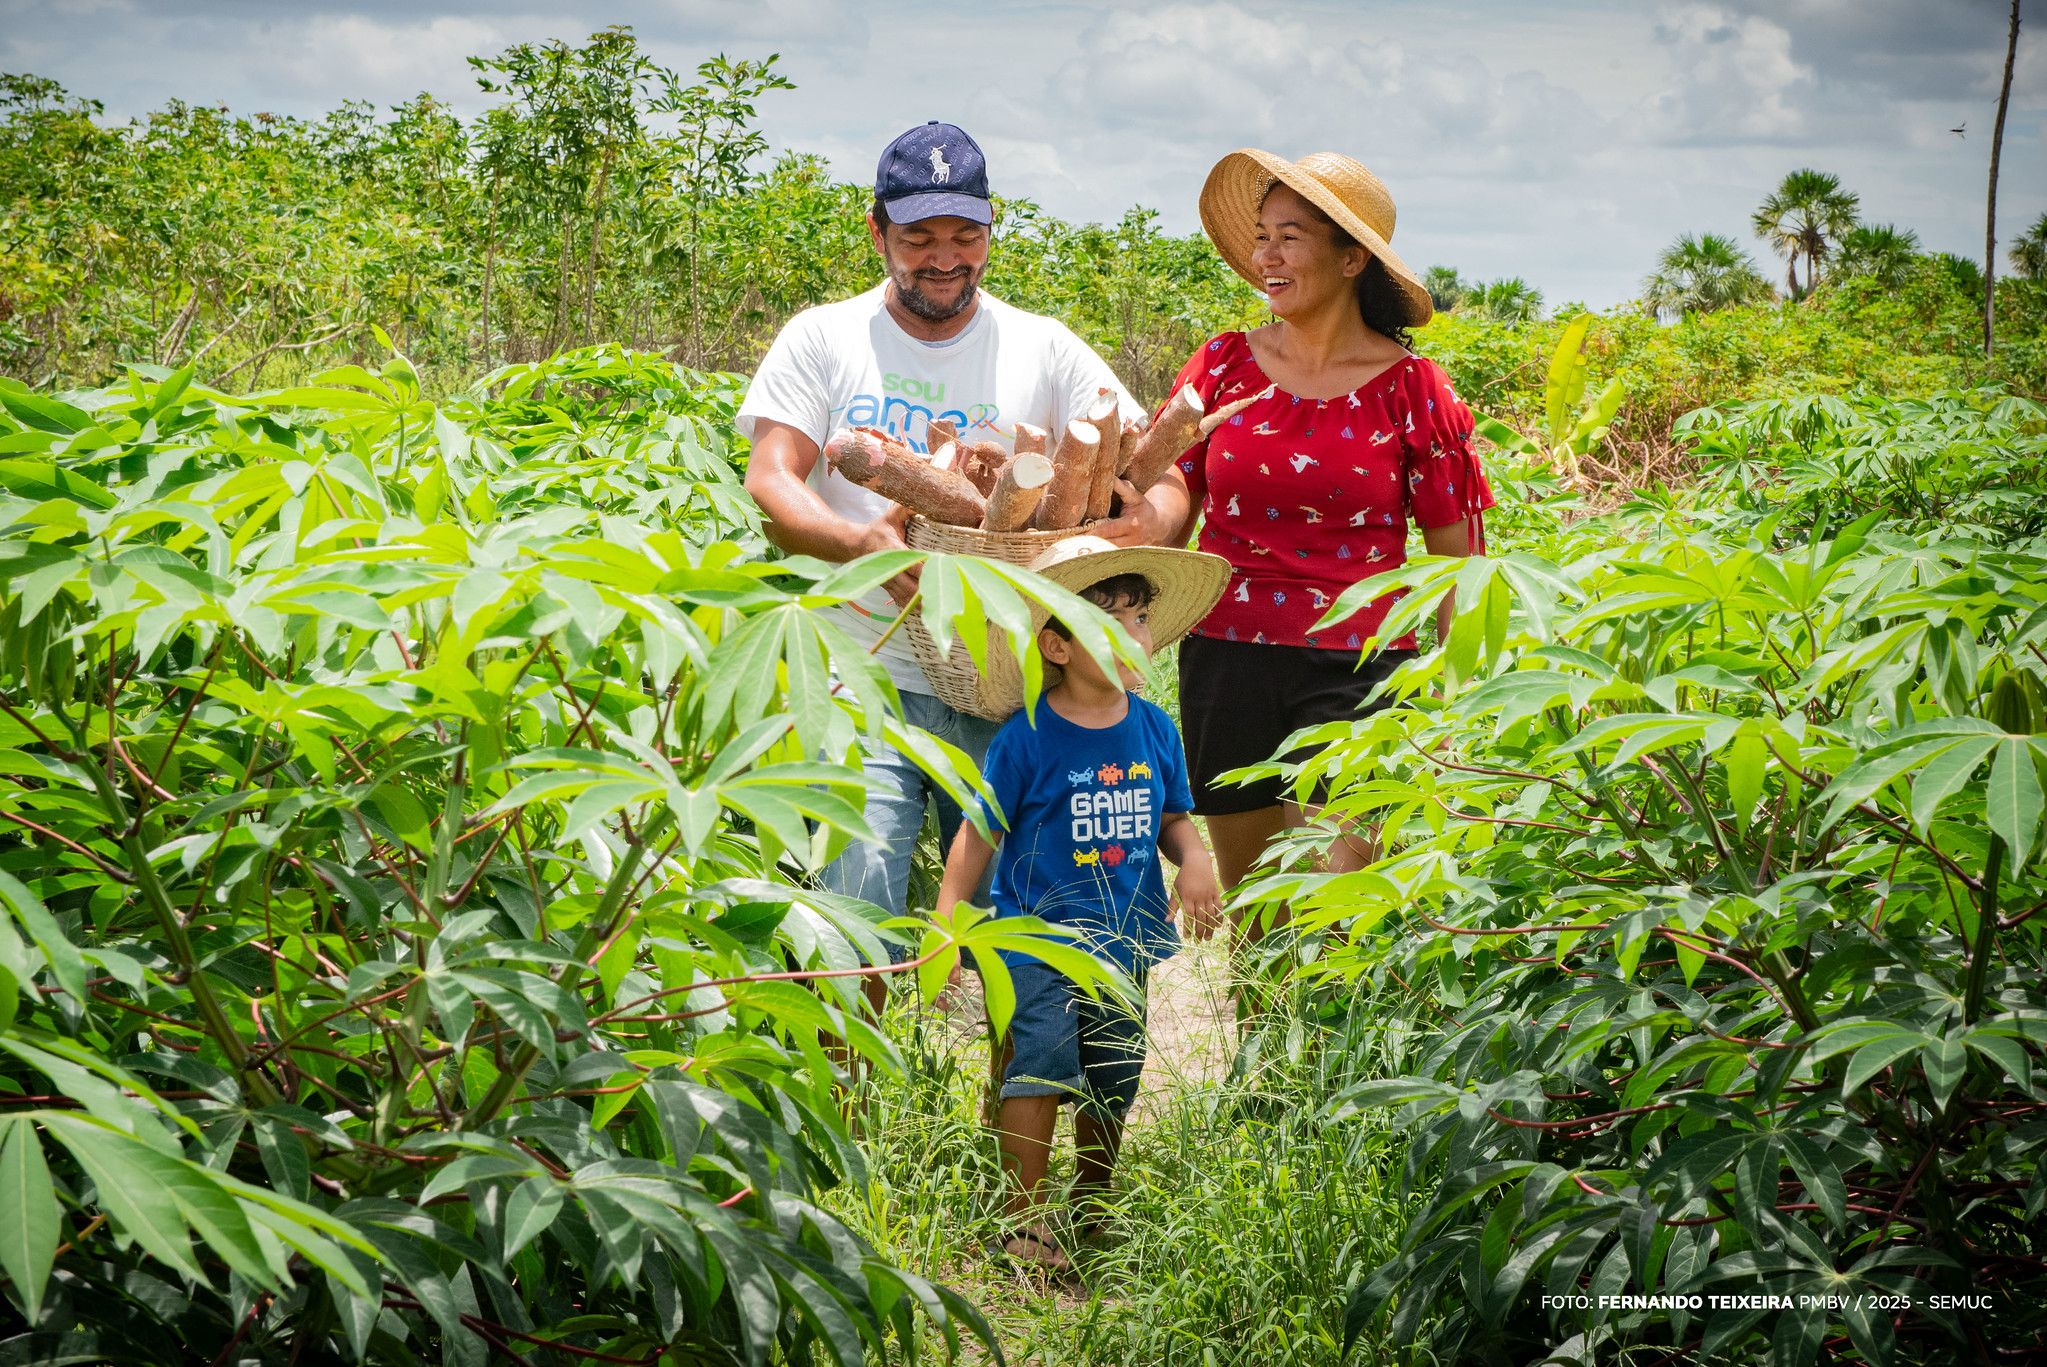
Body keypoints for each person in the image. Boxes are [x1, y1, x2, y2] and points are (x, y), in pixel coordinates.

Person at [738, 121, 1192, 945]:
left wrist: (1137, 525)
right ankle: (854, 1073)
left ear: (991, 230)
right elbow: (771, 475)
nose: (944, 257)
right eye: (917, 238)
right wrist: (856, 546)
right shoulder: (824, 336)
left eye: (965, 235)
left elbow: (1163, 477)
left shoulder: (1044, 346)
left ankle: (1008, 1075)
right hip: (860, 668)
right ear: (876, 230)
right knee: (855, 904)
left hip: (1010, 685)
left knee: (1015, 922)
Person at [1166, 149, 1494, 902]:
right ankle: (1256, 1027)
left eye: (1289, 237)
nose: (1264, 257)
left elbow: (1457, 559)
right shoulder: (1221, 366)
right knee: (1256, 915)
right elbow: (1169, 498)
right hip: (1225, 657)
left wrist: (1459, 699)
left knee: (1337, 902)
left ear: (1352, 260)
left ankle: (1332, 1027)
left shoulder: (1412, 388)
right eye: (1259, 236)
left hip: (1362, 663)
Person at [935, 536, 1230, 1276]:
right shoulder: (1027, 735)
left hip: (1124, 936)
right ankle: (1025, 1221)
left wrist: (1194, 858)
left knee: (1114, 1068)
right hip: (1035, 934)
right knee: (1039, 1063)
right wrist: (947, 921)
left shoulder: (1153, 726)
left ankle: (1094, 1201)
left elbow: (1170, 815)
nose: (1133, 634)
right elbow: (978, 834)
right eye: (1108, 620)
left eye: (1138, 617)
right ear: (1057, 645)